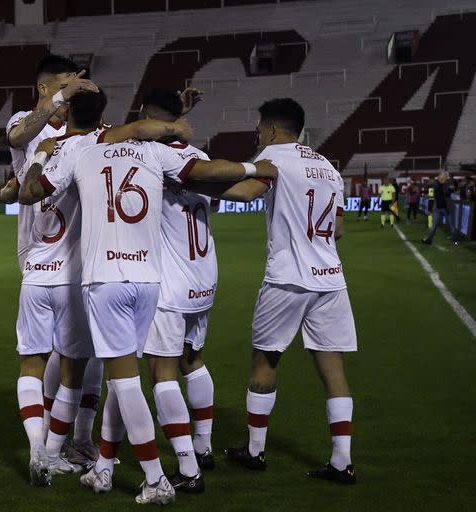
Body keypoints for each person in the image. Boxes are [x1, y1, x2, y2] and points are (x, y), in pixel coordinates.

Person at [19, 90, 278, 503]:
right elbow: (208, 168)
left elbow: (30, 192)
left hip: (106, 280)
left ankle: (157, 478)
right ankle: (104, 466)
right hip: (151, 281)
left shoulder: (79, 153)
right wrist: (253, 165)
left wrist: (37, 157)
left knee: (126, 383)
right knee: (132, 380)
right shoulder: (157, 155)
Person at [17, 89, 197, 486]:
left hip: (39, 272)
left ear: (65, 111)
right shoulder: (102, 142)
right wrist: (176, 123)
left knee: (36, 364)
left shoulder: (54, 149)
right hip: (97, 273)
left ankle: (45, 449)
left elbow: (26, 191)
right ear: (104, 119)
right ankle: (78, 449)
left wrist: (41, 153)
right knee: (85, 373)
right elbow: (143, 128)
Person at [213, 98, 358, 485]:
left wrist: (195, 187)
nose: (257, 134)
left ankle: (255, 451)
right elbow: (339, 229)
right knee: (333, 370)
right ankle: (342, 461)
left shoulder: (274, 159)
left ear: (274, 129)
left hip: (288, 279)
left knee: (265, 362)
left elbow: (244, 193)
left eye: (259, 127)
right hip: (330, 279)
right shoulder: (327, 166)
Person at [2, 55, 104, 485]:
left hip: (52, 263)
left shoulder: (74, 133)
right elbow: (19, 134)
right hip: (45, 254)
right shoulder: (29, 121)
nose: (70, 97)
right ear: (46, 89)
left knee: (58, 356)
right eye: (65, 88)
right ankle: (55, 446)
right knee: (71, 361)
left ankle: (52, 446)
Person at [134, 88, 219, 495]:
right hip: (204, 275)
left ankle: (188, 469)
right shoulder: (201, 158)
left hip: (170, 283)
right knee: (193, 360)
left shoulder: (151, 159)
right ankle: (203, 447)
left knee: (160, 371)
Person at [422, 171, 459, 245]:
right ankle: (429, 240)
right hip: (438, 208)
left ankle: (455, 240)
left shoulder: (447, 184)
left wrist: (448, 179)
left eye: (440, 175)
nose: (439, 177)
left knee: (451, 225)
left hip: (446, 208)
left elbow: (451, 190)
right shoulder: (436, 184)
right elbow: (430, 188)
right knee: (434, 225)